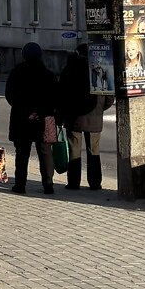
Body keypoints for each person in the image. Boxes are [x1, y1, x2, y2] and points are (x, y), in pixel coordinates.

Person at [5, 43, 57, 194]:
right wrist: (39, 112)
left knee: (22, 153)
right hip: (44, 118)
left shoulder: (16, 73)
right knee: (45, 152)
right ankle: (48, 184)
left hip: (21, 118)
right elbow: (54, 98)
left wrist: (27, 112)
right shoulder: (48, 74)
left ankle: (20, 185)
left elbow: (10, 95)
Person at [57, 43, 107, 191]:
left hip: (74, 118)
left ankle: (73, 183)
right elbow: (108, 95)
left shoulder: (69, 70)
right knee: (94, 152)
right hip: (94, 118)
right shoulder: (99, 69)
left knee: (74, 150)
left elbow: (61, 96)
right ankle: (95, 183)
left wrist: (61, 116)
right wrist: (99, 109)